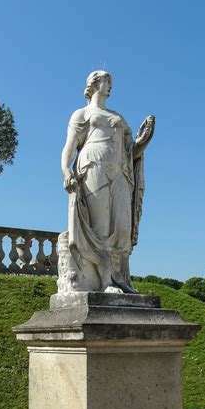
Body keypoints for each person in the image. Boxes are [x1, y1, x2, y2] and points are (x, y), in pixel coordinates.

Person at [61, 70, 154, 293]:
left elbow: (131, 153)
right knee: (100, 229)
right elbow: (70, 146)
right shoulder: (81, 114)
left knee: (122, 227)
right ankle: (106, 282)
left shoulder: (119, 117)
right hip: (94, 167)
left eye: (111, 81)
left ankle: (122, 280)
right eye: (106, 80)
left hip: (121, 172)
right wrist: (66, 171)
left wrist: (145, 140)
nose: (110, 85)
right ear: (93, 84)